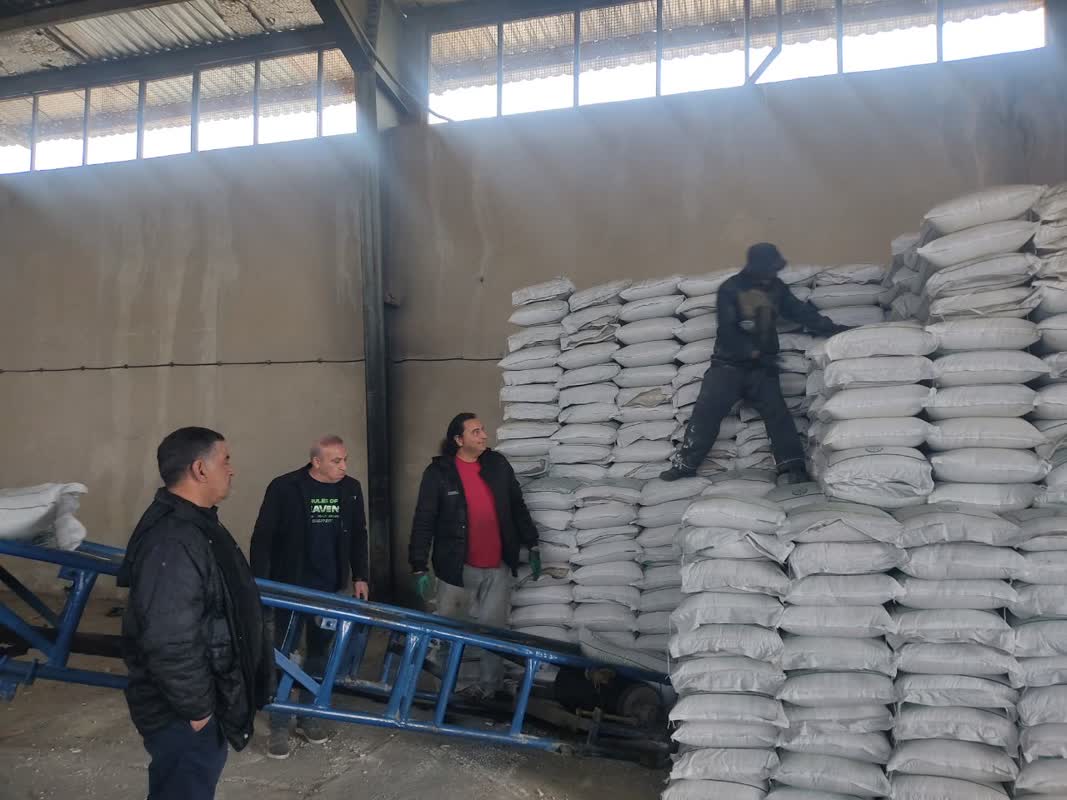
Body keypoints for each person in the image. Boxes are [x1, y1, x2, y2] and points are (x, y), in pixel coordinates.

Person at [118, 427, 271, 800]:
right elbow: (169, 640)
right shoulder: (173, 539)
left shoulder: (196, 525)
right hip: (183, 717)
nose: (232, 469)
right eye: (225, 460)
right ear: (200, 469)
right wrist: (199, 712)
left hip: (197, 708)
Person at [661, 243, 849, 483]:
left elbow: (801, 313)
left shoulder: (776, 288)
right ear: (756, 266)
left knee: (778, 415)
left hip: (762, 369)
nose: (772, 274)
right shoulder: (731, 288)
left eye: (775, 270)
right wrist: (753, 353)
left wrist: (835, 329)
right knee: (706, 413)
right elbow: (728, 329)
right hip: (727, 367)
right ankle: (684, 465)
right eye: (769, 269)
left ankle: (792, 467)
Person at [249, 434, 369, 760]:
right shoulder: (284, 488)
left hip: (328, 588)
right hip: (289, 587)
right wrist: (261, 584)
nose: (344, 466)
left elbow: (359, 535)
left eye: (345, 460)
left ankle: (308, 716)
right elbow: (262, 538)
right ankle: (278, 723)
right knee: (283, 654)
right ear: (316, 461)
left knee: (319, 653)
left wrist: (360, 576)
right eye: (336, 461)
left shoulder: (350, 489)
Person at [408, 413, 540, 700]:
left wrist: (532, 543)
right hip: (456, 566)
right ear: (459, 440)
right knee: (450, 632)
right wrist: (418, 565)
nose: (484, 436)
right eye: (476, 432)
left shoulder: (497, 464)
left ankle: (489, 689)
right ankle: (449, 690)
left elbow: (517, 505)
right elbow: (424, 519)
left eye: (483, 430)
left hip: (497, 565)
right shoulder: (439, 473)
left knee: (494, 633)